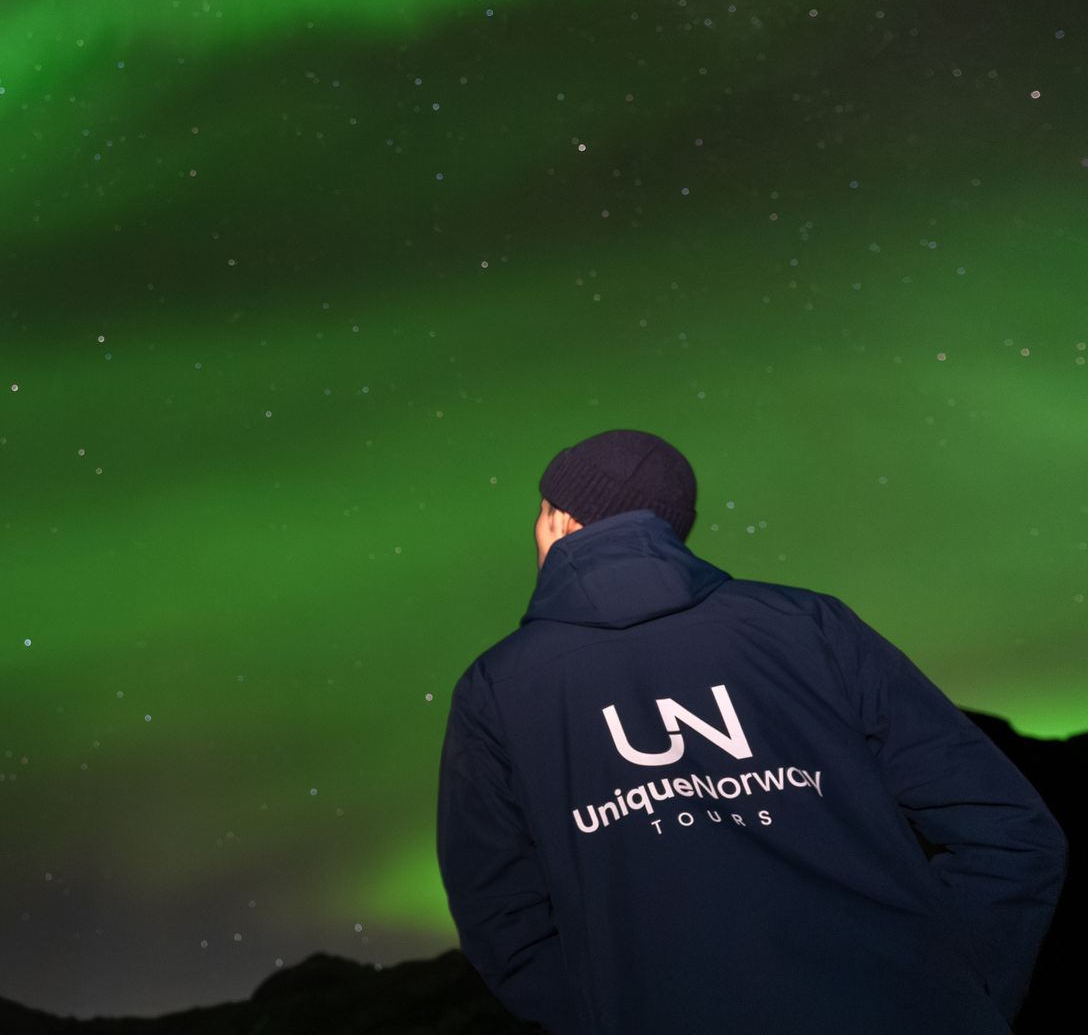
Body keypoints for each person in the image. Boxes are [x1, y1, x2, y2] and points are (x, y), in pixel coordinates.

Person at [436, 429, 1068, 1034]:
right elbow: (1009, 832)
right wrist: (953, 1002)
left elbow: (500, 918)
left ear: (559, 519)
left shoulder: (496, 689)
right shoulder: (810, 626)